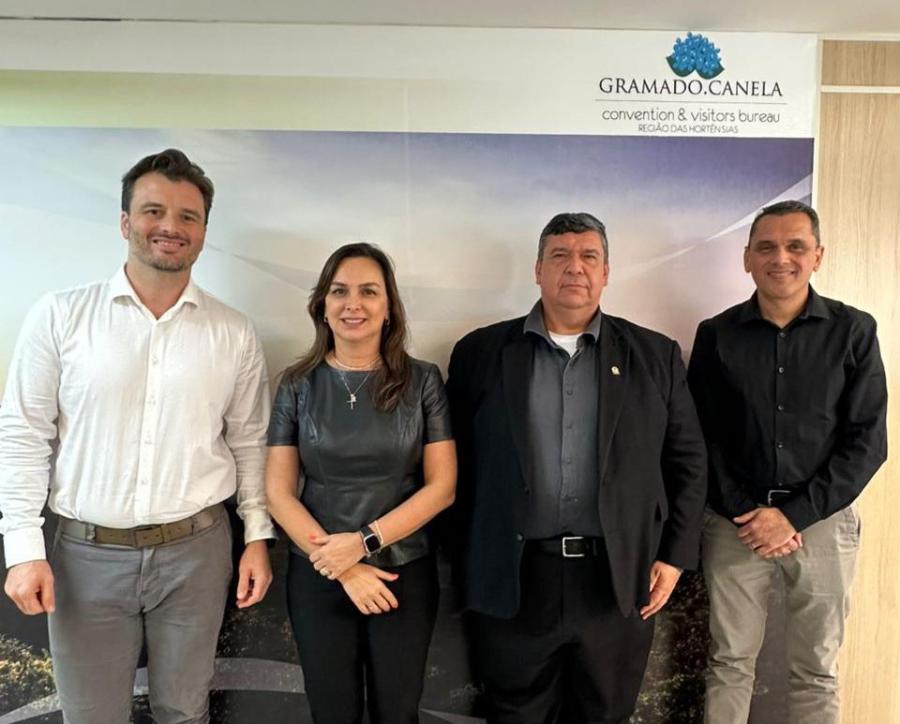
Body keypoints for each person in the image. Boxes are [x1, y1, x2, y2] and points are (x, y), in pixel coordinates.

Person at [0, 148, 274, 724]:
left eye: (187, 216)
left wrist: (256, 535)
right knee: (91, 716)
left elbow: (250, 442)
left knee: (185, 713)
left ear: (203, 233)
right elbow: (23, 434)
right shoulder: (60, 316)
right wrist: (23, 550)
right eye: (154, 211)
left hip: (197, 553)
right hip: (85, 558)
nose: (170, 226)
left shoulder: (233, 332)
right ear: (126, 223)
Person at [446, 212, 707, 723]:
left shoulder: (654, 356)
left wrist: (675, 555)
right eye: (560, 255)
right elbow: (452, 462)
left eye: (589, 256)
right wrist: (467, 555)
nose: (575, 267)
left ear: (606, 272)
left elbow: (689, 461)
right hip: (514, 581)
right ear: (538, 269)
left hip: (616, 580)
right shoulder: (480, 353)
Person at [687, 200, 887, 724]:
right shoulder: (716, 334)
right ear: (746, 258)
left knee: (816, 671)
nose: (781, 258)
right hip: (736, 524)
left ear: (817, 256)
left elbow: (868, 442)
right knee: (729, 663)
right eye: (767, 247)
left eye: (796, 246)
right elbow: (700, 437)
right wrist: (747, 513)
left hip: (823, 521)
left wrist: (793, 515)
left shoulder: (854, 330)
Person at [265, 242, 456, 724]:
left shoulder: (423, 381)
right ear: (322, 305)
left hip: (403, 574)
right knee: (332, 713)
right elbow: (279, 494)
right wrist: (344, 565)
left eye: (369, 291)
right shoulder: (296, 384)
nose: (354, 304)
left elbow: (442, 487)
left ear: (389, 308)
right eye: (340, 291)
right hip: (320, 573)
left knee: (398, 712)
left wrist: (364, 542)